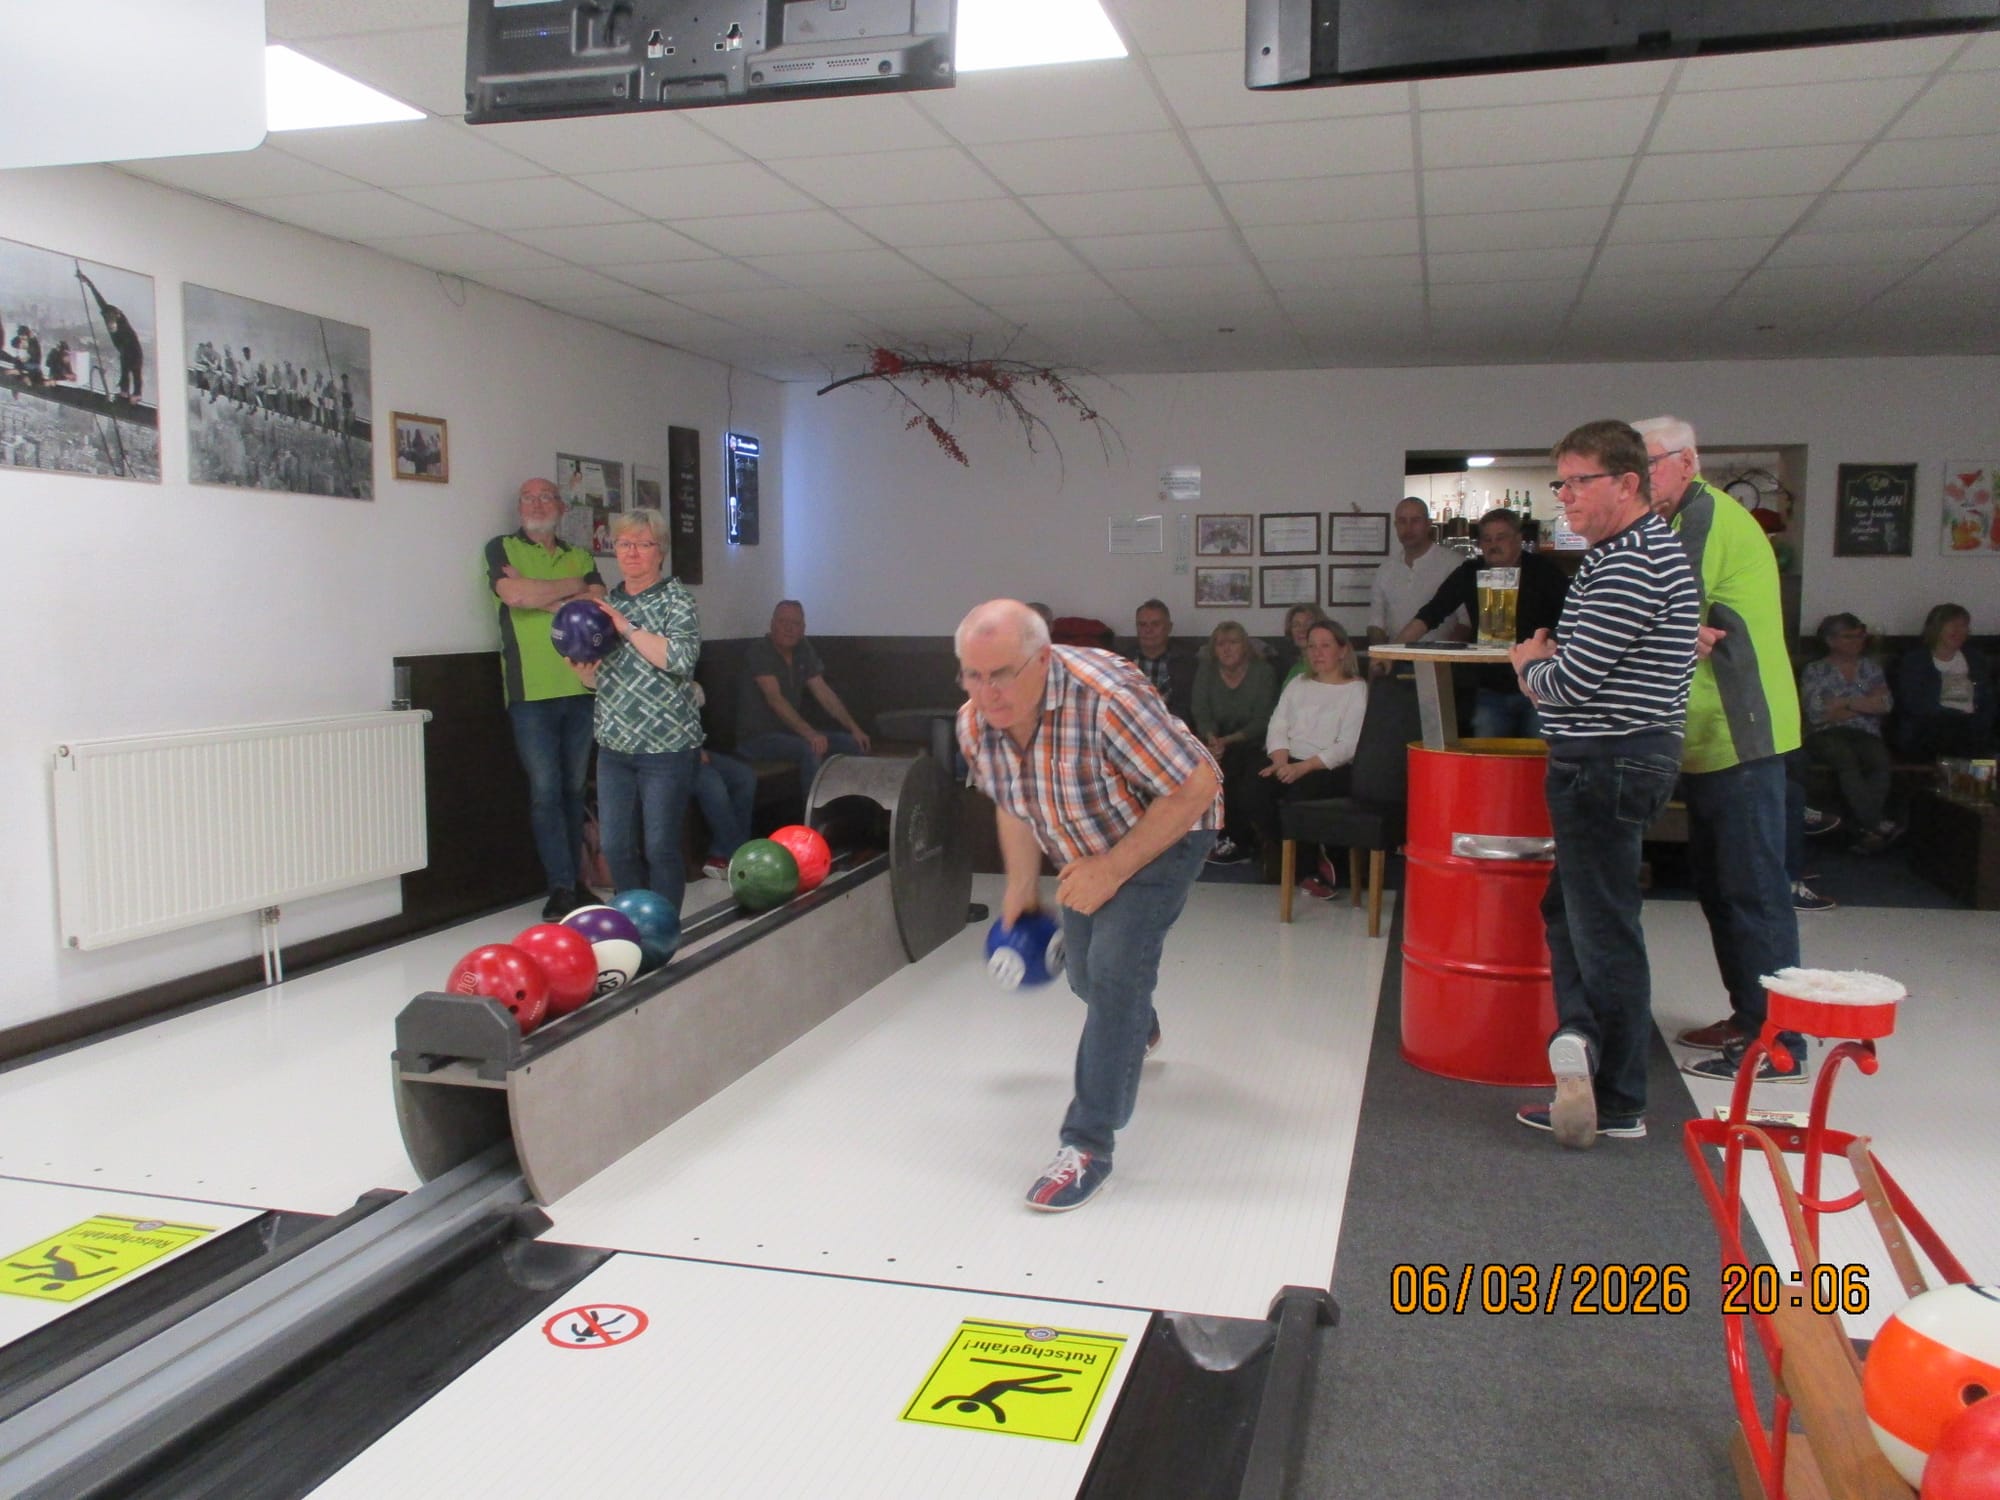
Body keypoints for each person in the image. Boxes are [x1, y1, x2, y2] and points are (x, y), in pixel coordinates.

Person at [954, 599, 1221, 1212]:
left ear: (1042, 660)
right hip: (1085, 841)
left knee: (1115, 975)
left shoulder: (1106, 701)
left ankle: (1088, 1145)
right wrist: (1021, 887)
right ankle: (1134, 1027)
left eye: (1002, 675)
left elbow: (1197, 786)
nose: (987, 694)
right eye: (973, 674)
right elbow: (1015, 800)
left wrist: (1113, 868)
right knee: (1084, 973)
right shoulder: (977, 723)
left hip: (1170, 828)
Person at [1510, 420, 1698, 1148]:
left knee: (1604, 932)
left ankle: (1615, 1097)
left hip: (1606, 762)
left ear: (1627, 482)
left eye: (1577, 481)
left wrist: (1527, 664)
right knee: (1572, 913)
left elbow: (1570, 683)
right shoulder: (1623, 554)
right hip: (1617, 759)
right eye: (1559, 482)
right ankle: (1582, 1045)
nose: (1564, 497)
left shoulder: (1628, 563)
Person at [1634, 416, 1808, 1087]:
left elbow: (1668, 615)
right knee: (1719, 886)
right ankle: (1749, 1016)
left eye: (1650, 464)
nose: (1641, 479)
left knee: (1754, 890)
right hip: (1707, 738)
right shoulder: (1677, 522)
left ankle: (1782, 1040)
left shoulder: (1708, 517)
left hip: (1744, 732)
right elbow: (1680, 627)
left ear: (1688, 460)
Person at [567, 509, 702, 909]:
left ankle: (663, 929)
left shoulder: (677, 600)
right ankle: (631, 921)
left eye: (643, 544)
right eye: (624, 544)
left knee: (660, 846)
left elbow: (679, 658)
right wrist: (584, 673)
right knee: (617, 844)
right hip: (614, 747)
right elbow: (598, 682)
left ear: (659, 552)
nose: (632, 552)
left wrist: (626, 627)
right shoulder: (603, 605)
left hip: (666, 747)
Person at [486, 479, 605, 920]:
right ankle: (559, 888)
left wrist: (543, 592)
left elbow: (599, 601)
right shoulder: (500, 548)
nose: (537, 504)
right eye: (528, 498)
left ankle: (576, 883)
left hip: (581, 687)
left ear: (560, 505)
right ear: (519, 507)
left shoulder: (581, 555)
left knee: (574, 790)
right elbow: (513, 595)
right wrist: (569, 591)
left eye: (545, 497)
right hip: (529, 694)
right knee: (545, 791)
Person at [1393, 507, 1570, 738]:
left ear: (1518, 539)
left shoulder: (1544, 572)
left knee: (1540, 764)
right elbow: (1431, 614)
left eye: (1501, 537)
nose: (1493, 544)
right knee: (1489, 763)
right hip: (1491, 688)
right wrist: (1392, 653)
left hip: (1540, 688)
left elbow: (1572, 621)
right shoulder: (1470, 571)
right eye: (1487, 539)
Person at [1257, 620, 1368, 900]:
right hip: (1289, 760)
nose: (1317, 653)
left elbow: (1348, 746)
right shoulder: (1298, 683)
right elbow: (1278, 724)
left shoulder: (1356, 689)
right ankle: (1295, 861)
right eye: (1312, 647)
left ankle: (1312, 869)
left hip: (1327, 767)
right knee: (1254, 791)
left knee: (1298, 794)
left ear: (1342, 650)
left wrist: (1302, 767)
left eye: (1325, 646)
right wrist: (1281, 761)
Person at [735, 600, 872, 792]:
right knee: (811, 749)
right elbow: (775, 700)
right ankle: (811, 817)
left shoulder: (803, 649)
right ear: (772, 624)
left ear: (803, 629)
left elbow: (824, 693)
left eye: (796, 624)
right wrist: (810, 733)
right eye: (784, 622)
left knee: (854, 744)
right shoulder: (760, 650)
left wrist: (854, 728)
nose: (790, 629)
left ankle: (850, 809)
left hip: (790, 734)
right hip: (757, 739)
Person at [1800, 613, 1903, 854]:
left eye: (1860, 636)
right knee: (1845, 758)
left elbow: (1885, 704)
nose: (1857, 642)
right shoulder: (1815, 670)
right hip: (1825, 734)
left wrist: (1842, 703)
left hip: (1865, 733)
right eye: (1849, 637)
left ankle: (1864, 830)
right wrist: (1863, 703)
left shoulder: (1870, 668)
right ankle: (1874, 825)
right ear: (1830, 640)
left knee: (1878, 759)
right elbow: (1816, 713)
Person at [1191, 620, 1278, 866]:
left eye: (1233, 643)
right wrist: (1211, 739)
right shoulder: (1206, 670)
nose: (1227, 649)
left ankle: (1240, 841)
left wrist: (1227, 741)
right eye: (1220, 644)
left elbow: (1263, 719)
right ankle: (1204, 839)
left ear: (1245, 646)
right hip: (1214, 741)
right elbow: (1200, 710)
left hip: (1254, 742)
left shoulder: (1263, 672)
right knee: (1200, 769)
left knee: (1240, 771)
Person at [1368, 497, 1463, 664]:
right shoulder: (1386, 570)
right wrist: (1383, 657)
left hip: (1440, 664)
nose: (1408, 528)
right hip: (1396, 662)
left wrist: (1448, 661)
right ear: (1396, 526)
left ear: (1428, 524)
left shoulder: (1454, 564)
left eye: (1415, 521)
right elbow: (1376, 624)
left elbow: (1465, 624)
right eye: (1402, 522)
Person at [1895, 603, 1995, 759]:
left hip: (1971, 727)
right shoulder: (1915, 661)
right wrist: (1952, 713)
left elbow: (1988, 701)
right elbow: (1914, 704)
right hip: (1927, 729)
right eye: (1951, 625)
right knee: (1950, 729)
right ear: (1936, 628)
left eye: (1963, 625)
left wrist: (1980, 721)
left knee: (1975, 735)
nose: (1958, 631)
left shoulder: (1976, 659)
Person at [689, 682, 759, 879]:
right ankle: (739, 856)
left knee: (744, 777)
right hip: (666, 757)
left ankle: (721, 853)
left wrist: (696, 747)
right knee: (713, 784)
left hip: (694, 748)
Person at [1123, 598, 1196, 724]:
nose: (1148, 630)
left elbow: (1188, 708)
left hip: (1172, 729)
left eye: (1155, 624)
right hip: (1131, 727)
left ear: (1169, 628)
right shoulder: (1122, 661)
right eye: (1142, 624)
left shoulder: (1187, 662)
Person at [1272, 602, 1327, 682]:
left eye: (1308, 624)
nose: (1302, 630)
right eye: (1296, 625)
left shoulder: (1326, 664)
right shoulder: (1296, 669)